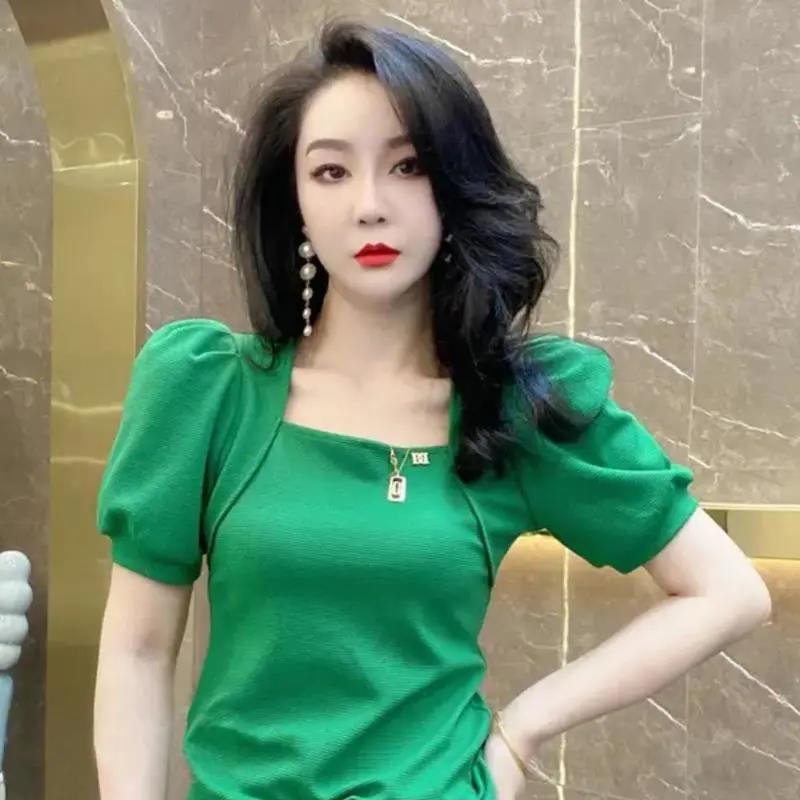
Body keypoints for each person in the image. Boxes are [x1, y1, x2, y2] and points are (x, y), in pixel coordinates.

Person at [92, 17, 772, 800]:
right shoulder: (208, 390)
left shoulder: (513, 408)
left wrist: (523, 728)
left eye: (408, 165)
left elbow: (728, 591)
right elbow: (138, 651)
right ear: (296, 201)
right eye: (331, 171)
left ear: (453, 183)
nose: (370, 205)